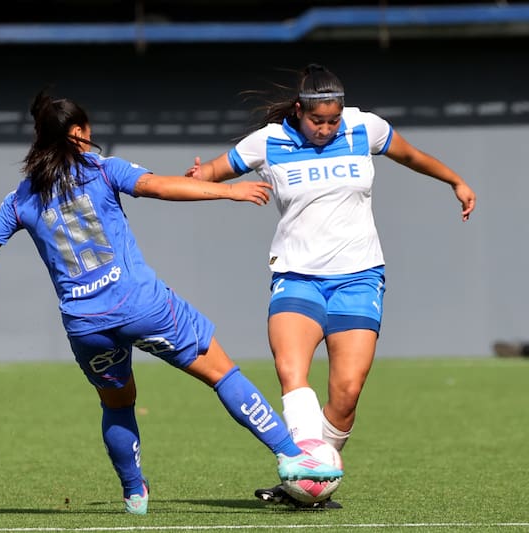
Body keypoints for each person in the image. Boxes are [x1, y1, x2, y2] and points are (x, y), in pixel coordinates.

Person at [0, 90, 343, 515]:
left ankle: (135, 494)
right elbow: (159, 186)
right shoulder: (102, 168)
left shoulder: (21, 197)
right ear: (79, 133)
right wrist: (229, 192)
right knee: (222, 372)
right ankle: (291, 455)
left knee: (117, 402)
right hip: (141, 305)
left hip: (85, 325)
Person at [186, 64, 476, 509]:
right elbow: (213, 171)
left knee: (346, 392)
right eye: (316, 120)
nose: (324, 128)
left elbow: (412, 156)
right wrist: (198, 178)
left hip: (359, 278)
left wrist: (455, 180)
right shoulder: (270, 141)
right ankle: (304, 469)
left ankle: (314, 480)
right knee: (291, 372)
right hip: (297, 277)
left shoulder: (366, 128)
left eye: (332, 120)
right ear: (299, 111)